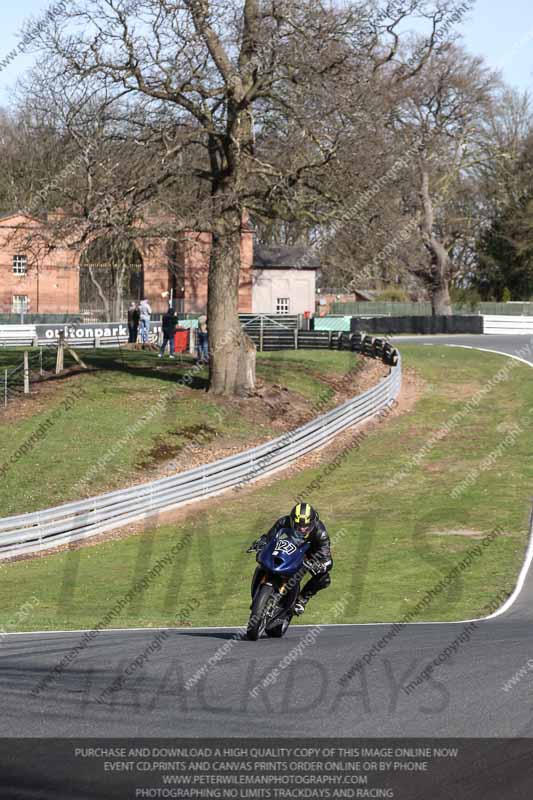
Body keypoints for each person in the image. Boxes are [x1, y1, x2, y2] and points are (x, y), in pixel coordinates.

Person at [250, 503, 332, 615]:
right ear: (292, 521)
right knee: (262, 563)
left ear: (312, 523)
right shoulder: (284, 521)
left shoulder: (320, 532)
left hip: (309, 553)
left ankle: (302, 599)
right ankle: (259, 592)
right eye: (298, 525)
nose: (302, 529)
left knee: (324, 578)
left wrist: (322, 564)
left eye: (306, 526)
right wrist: (262, 542)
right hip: (288, 545)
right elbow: (270, 536)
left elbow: (326, 555)